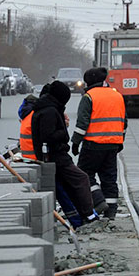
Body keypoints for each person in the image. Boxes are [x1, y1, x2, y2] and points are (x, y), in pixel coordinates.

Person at [31, 80, 98, 225]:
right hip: (56, 156)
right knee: (81, 179)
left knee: (68, 186)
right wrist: (63, 132)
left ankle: (80, 216)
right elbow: (47, 136)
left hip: (53, 155)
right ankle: (88, 214)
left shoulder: (48, 107)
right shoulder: (49, 111)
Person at [71, 67, 126, 219]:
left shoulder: (89, 97)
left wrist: (75, 143)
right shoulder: (117, 95)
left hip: (93, 145)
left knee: (84, 174)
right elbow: (124, 122)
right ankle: (111, 210)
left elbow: (82, 123)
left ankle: (98, 200)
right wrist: (120, 141)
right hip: (113, 145)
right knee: (109, 178)